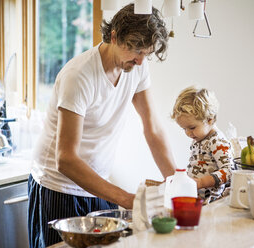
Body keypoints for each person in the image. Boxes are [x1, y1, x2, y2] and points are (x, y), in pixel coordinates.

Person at [27, 3, 176, 248]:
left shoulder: (137, 68)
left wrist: (176, 181)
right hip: (58, 187)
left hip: (98, 185)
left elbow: (153, 128)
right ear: (114, 36)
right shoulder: (79, 76)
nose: (140, 61)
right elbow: (65, 159)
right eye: (136, 49)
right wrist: (127, 198)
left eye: (146, 53)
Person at [171, 86, 234, 204]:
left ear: (210, 119)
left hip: (212, 201)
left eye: (192, 127)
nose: (188, 133)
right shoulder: (199, 138)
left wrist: (201, 183)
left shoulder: (217, 141)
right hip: (197, 199)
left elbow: (229, 171)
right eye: (184, 129)